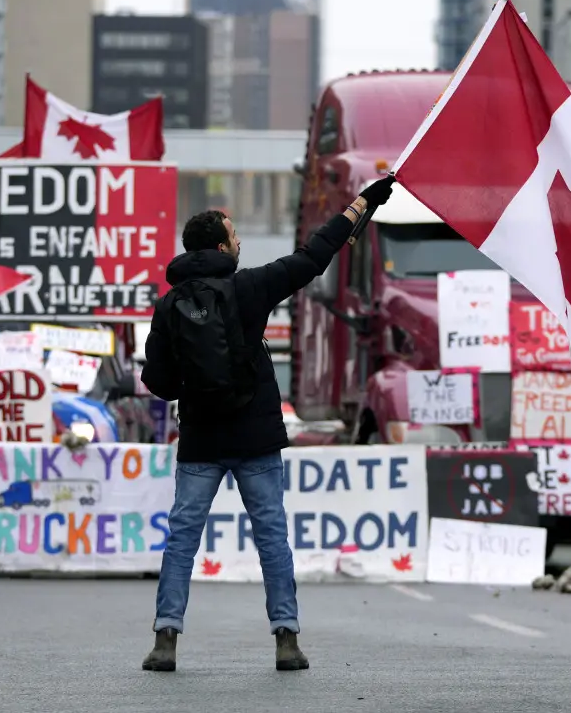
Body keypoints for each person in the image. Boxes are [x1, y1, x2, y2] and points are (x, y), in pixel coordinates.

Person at [139, 175, 396, 672]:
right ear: (221, 247)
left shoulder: (168, 306)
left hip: (199, 441)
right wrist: (362, 204)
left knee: (182, 539)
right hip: (255, 438)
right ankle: (286, 639)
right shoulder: (250, 287)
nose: (240, 245)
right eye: (235, 238)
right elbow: (312, 257)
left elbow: (160, 382)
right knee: (271, 537)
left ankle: (165, 639)